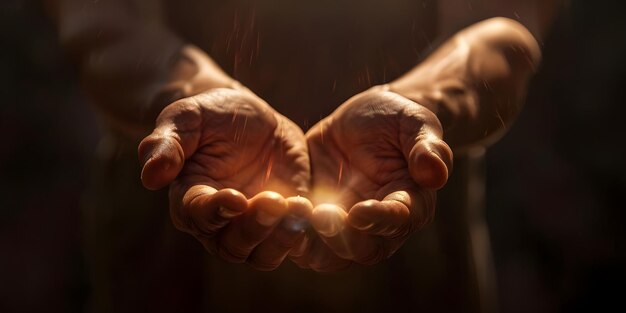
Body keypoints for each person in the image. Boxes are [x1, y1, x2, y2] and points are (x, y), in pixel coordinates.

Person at [46, 0, 558, 312]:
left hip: (411, 248)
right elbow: (98, 20)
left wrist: (423, 106)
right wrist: (186, 91)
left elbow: (504, 25)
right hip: (177, 255)